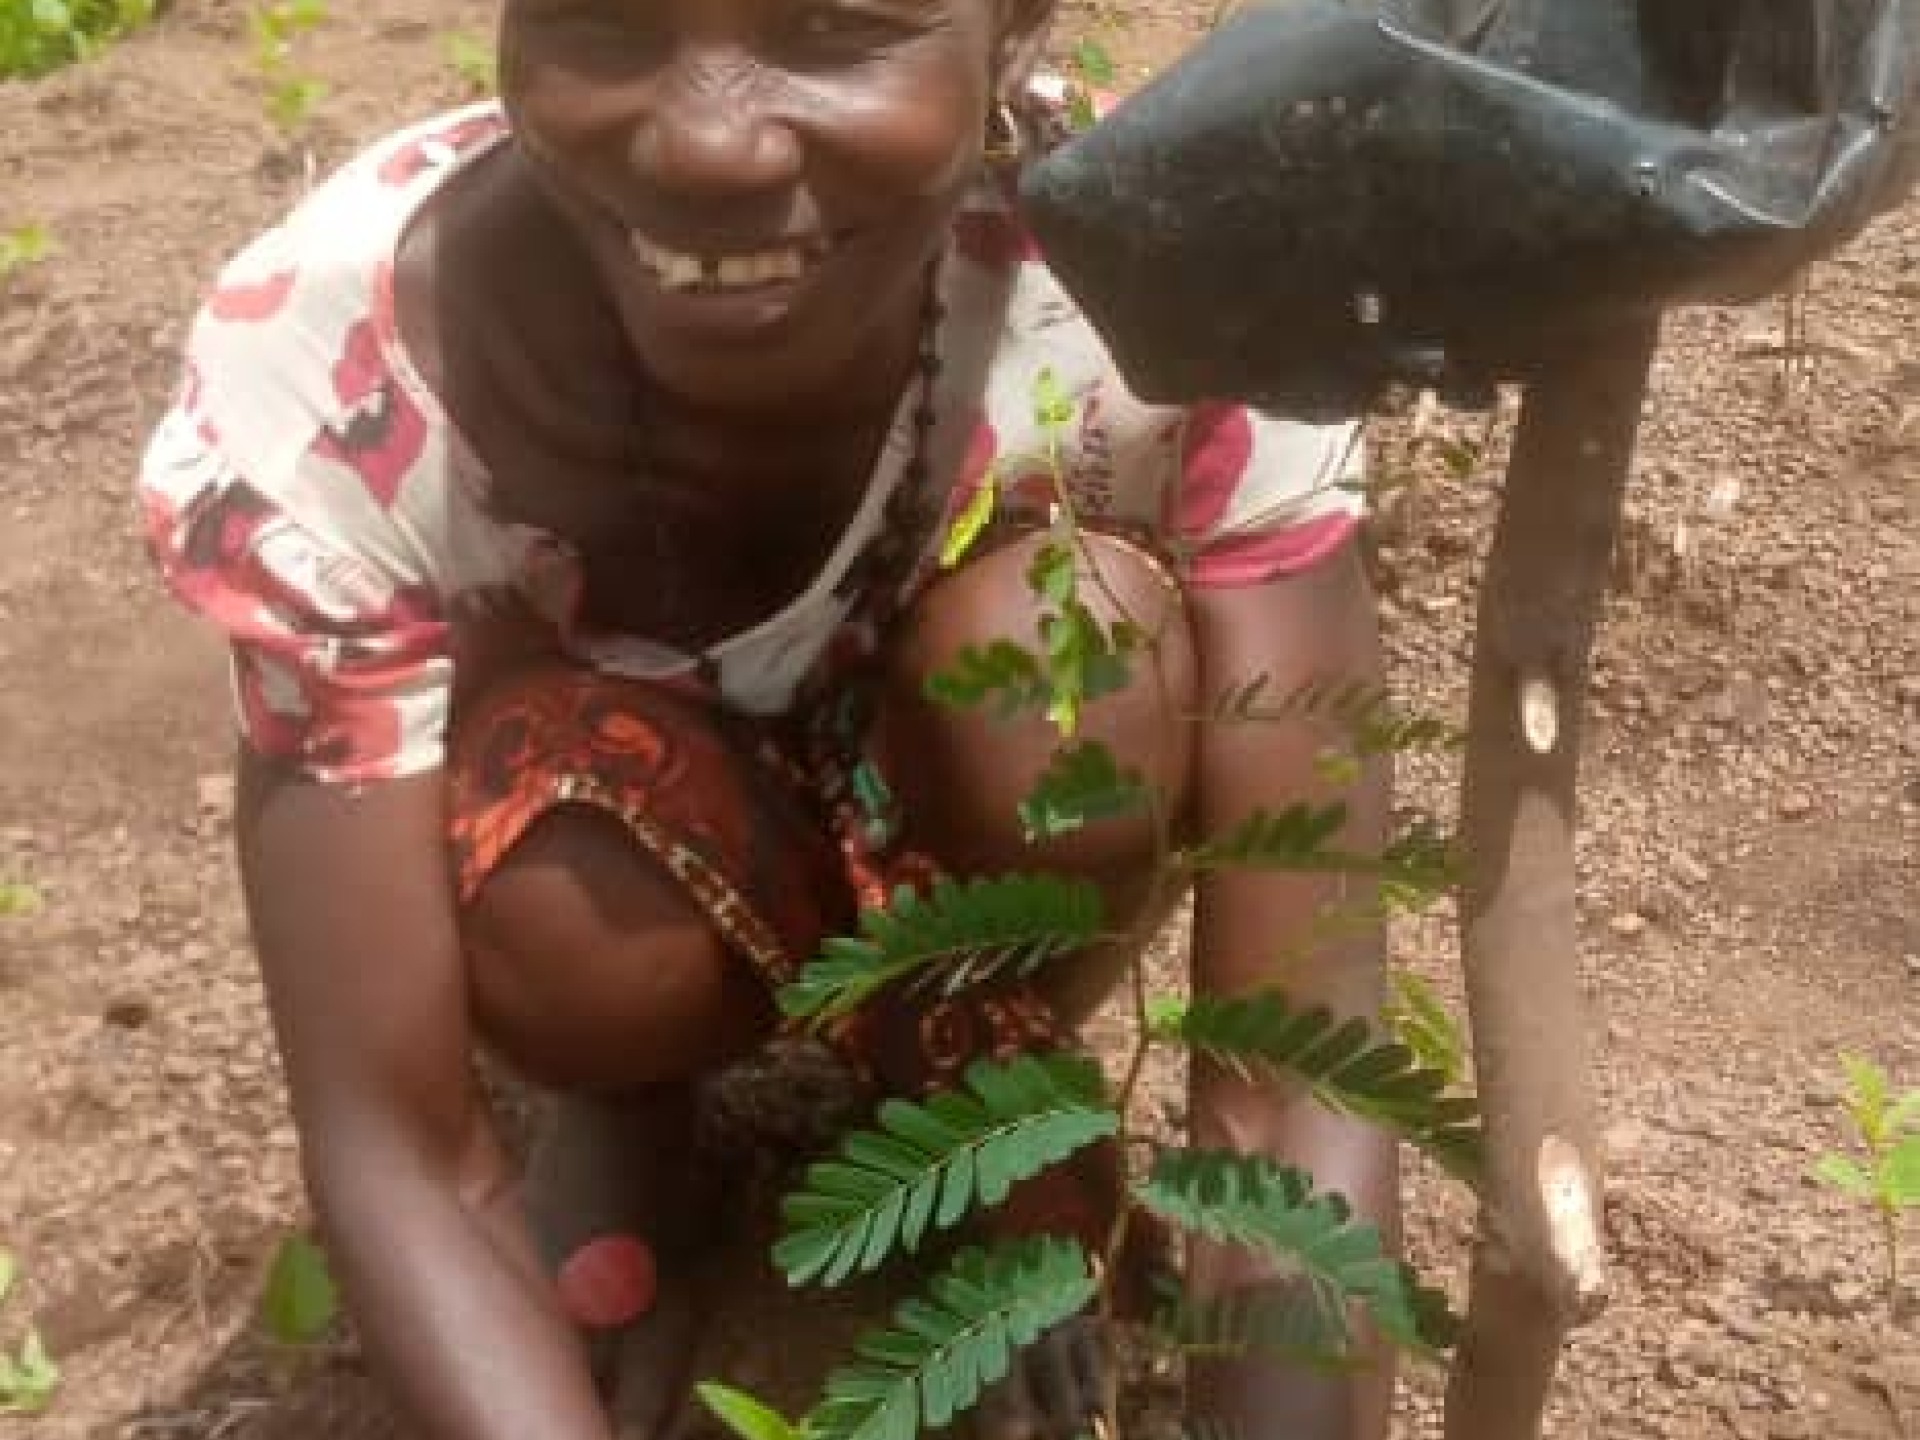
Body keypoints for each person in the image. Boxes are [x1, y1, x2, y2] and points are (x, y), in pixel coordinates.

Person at [137, 3, 1398, 1438]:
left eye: (836, 24)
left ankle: (978, 1097)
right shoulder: (334, 372)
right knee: (562, 912)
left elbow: (1294, 1089)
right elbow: (396, 1152)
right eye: (604, 17)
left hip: (970, 806)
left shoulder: (1179, 296)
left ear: (1014, 28)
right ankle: (635, 1104)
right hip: (634, 844)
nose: (708, 139)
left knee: (1074, 656)